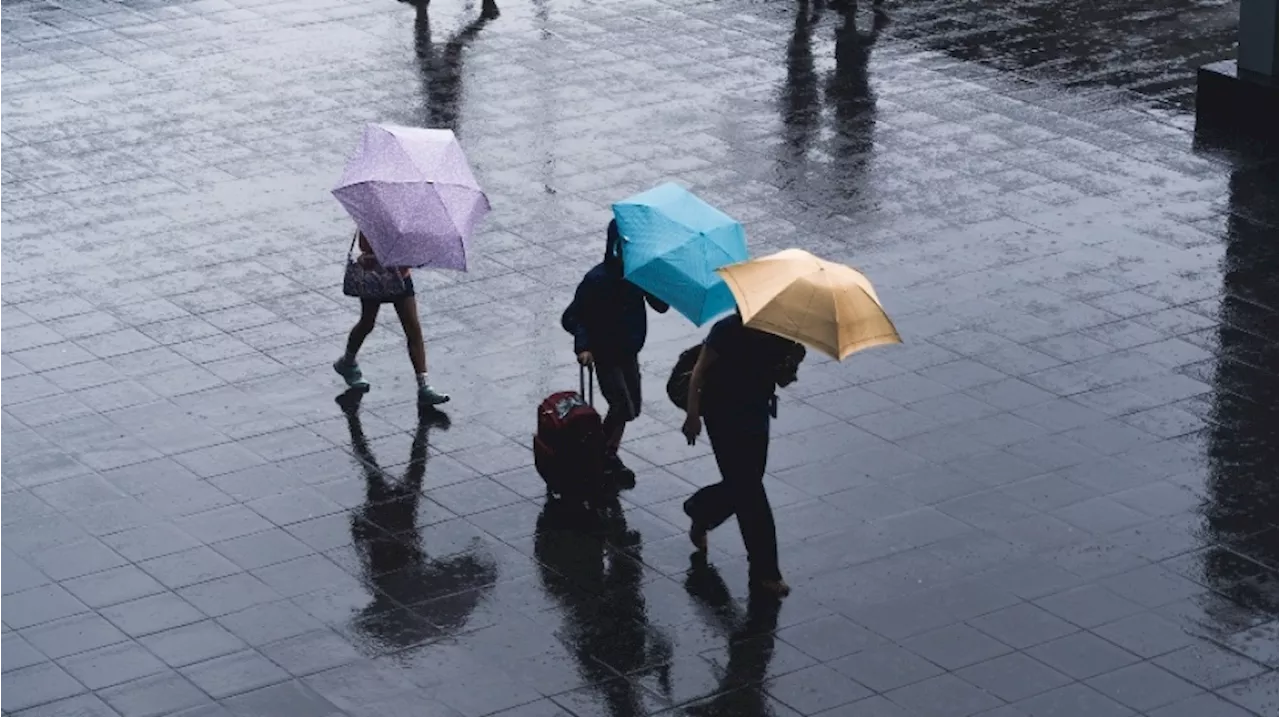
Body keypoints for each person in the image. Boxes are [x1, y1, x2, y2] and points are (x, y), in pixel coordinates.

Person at [681, 311, 804, 597]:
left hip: (756, 418)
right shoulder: (725, 331)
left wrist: (792, 362)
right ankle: (766, 571)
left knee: (744, 486)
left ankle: (701, 508)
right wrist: (692, 413)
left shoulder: (778, 334)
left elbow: (782, 379)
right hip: (722, 419)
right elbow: (699, 371)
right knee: (751, 493)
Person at [561, 219, 670, 481]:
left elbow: (661, 305)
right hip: (605, 354)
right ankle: (601, 454)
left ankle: (606, 451)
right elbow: (573, 317)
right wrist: (584, 346)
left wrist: (656, 279)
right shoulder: (597, 279)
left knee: (631, 408)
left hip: (628, 351)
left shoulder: (638, 276)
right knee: (621, 405)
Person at [334, 231, 449, 405]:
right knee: (367, 322)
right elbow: (364, 245)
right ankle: (347, 362)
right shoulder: (374, 214)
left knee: (413, 329)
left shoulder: (410, 220)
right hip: (375, 276)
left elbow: (415, 250)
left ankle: (424, 386)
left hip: (401, 277)